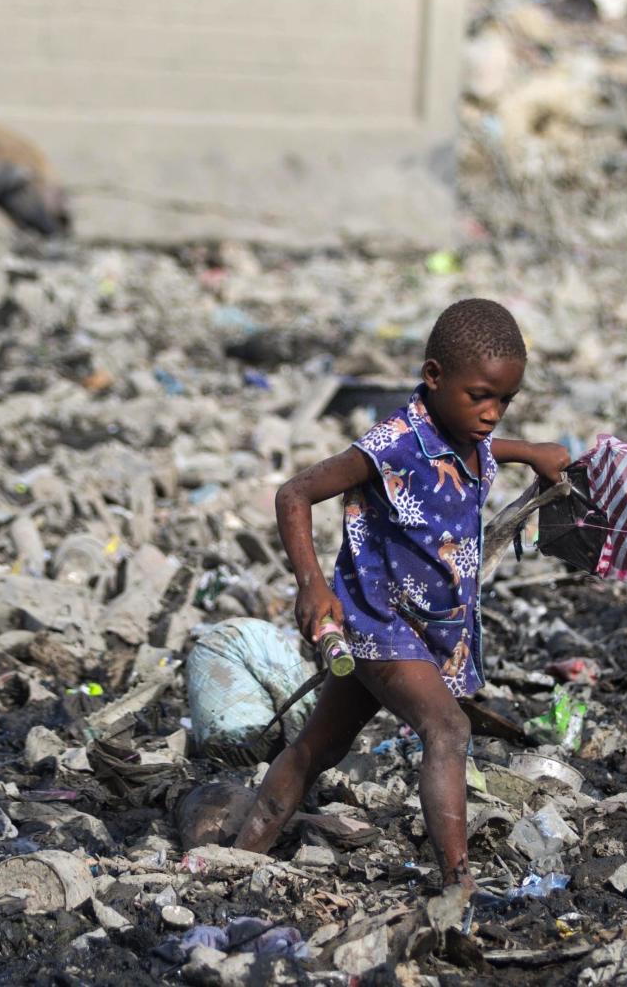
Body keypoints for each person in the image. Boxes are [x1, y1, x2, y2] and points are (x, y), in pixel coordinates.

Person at [229, 297, 570, 907]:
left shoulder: (466, 436)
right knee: (448, 728)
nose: (492, 415)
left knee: (319, 747)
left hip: (424, 627)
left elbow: (481, 449)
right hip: (379, 621)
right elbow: (293, 494)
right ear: (433, 376)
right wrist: (312, 584)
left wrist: (533, 451)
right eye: (480, 397)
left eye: (505, 401)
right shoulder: (390, 444)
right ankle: (457, 883)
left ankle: (240, 853)